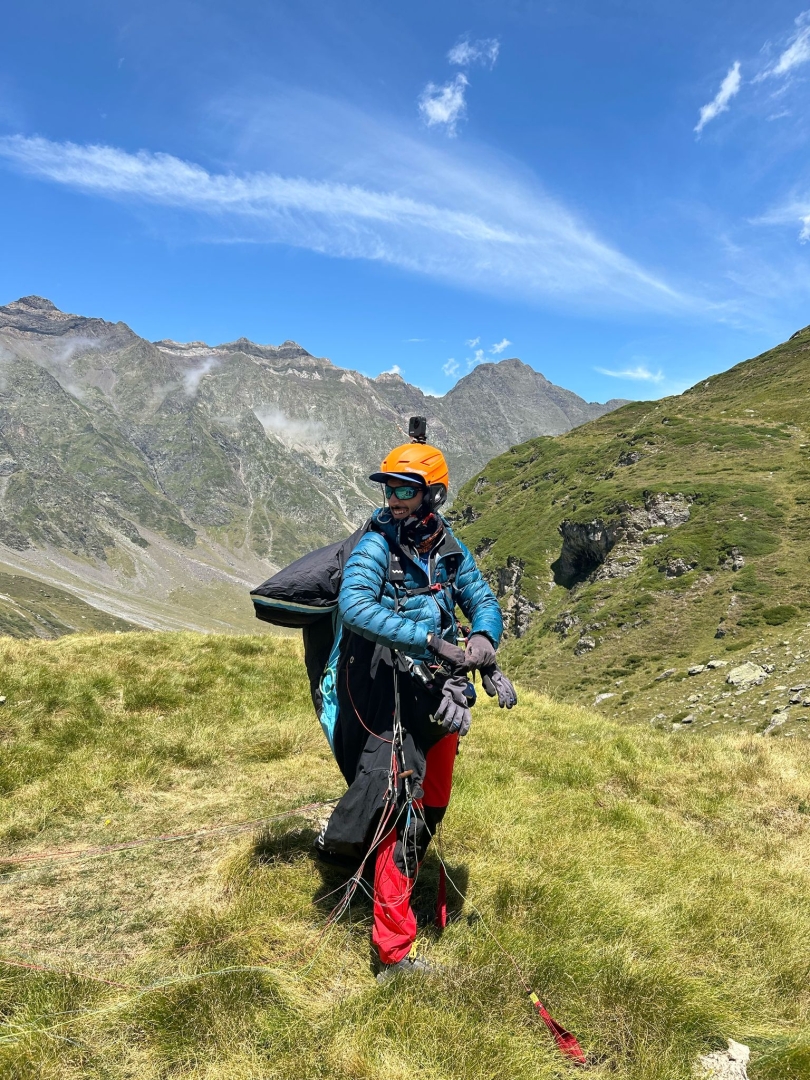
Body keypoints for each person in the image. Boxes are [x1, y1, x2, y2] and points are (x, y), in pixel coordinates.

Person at [316, 437, 516, 981]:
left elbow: (481, 598)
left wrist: (483, 639)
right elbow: (355, 606)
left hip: (439, 691)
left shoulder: (447, 544)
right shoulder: (375, 545)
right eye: (389, 489)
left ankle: (389, 881)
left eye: (405, 490)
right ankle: (393, 951)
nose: (394, 500)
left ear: (433, 495)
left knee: (432, 803)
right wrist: (430, 642)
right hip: (390, 691)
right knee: (401, 810)